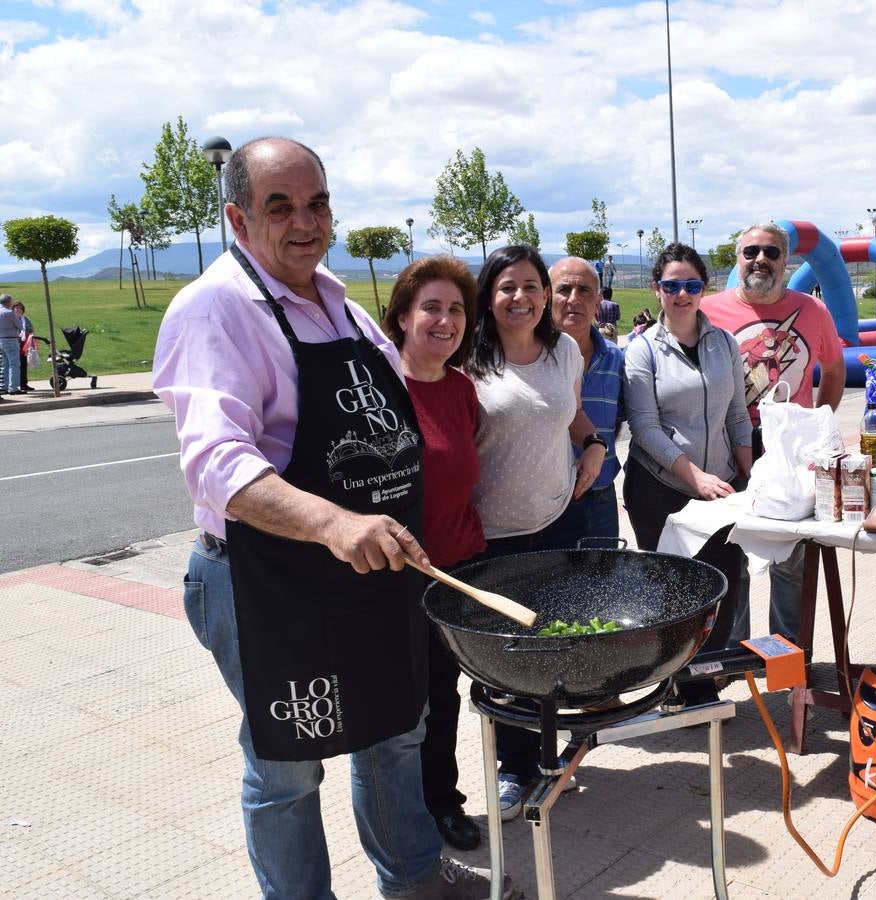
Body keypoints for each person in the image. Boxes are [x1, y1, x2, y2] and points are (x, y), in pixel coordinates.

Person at [152, 138, 515, 900]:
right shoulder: (216, 308)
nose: (304, 222)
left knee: (394, 731)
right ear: (236, 218)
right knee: (287, 763)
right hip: (267, 578)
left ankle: (413, 879)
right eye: (279, 206)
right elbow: (217, 463)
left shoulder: (337, 300)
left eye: (316, 203)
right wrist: (333, 523)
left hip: (371, 573)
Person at [465, 245, 606, 821]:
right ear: (489, 297)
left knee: (549, 647)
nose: (519, 297)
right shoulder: (468, 359)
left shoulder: (564, 351)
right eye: (506, 287)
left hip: (555, 519)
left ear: (545, 295)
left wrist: (595, 443)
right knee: (503, 658)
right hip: (489, 532)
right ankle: (510, 769)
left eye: (530, 286)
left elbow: (568, 415)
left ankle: (547, 760)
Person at [380, 255, 485, 856]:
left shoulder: (462, 388)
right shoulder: (377, 389)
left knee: (440, 697)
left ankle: (441, 802)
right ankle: (401, 814)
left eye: (455, 310)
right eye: (431, 308)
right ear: (401, 316)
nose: (445, 321)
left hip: (455, 570)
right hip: (395, 574)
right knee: (402, 707)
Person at [701, 222, 845, 645]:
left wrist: (818, 421)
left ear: (786, 261)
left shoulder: (814, 311)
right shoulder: (709, 311)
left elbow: (834, 369)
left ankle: (787, 653)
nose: (759, 259)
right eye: (750, 252)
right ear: (737, 259)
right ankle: (733, 653)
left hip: (789, 450)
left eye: (771, 252)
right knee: (732, 553)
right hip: (728, 445)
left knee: (791, 556)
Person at [623, 242, 753, 548]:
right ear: (656, 289)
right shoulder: (642, 350)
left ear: (703, 289)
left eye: (691, 286)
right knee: (669, 591)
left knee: (728, 584)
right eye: (671, 286)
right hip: (660, 488)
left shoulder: (725, 343)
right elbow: (644, 428)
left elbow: (736, 414)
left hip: (721, 486)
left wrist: (752, 474)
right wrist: (696, 477)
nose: (682, 294)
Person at [550, 256, 626, 538]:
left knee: (604, 581)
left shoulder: (616, 359)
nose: (573, 299)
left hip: (600, 500)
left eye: (584, 291)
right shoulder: (528, 358)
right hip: (543, 506)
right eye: (564, 290)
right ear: (547, 297)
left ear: (597, 303)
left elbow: (621, 421)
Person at [0, 294, 20, 396]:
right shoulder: (9, 312)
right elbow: (19, 324)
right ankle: (13, 388)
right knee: (14, 364)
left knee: (4, 364)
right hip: (11, 339)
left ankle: (3, 386)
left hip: (1, 340)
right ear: (8, 302)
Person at [13, 301, 34, 392]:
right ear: (13, 309)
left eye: (20, 308)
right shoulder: (10, 319)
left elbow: (30, 329)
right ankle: (13, 386)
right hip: (13, 345)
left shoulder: (25, 319)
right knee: (14, 366)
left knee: (23, 365)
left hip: (24, 346)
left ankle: (23, 384)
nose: (18, 310)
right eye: (16, 308)